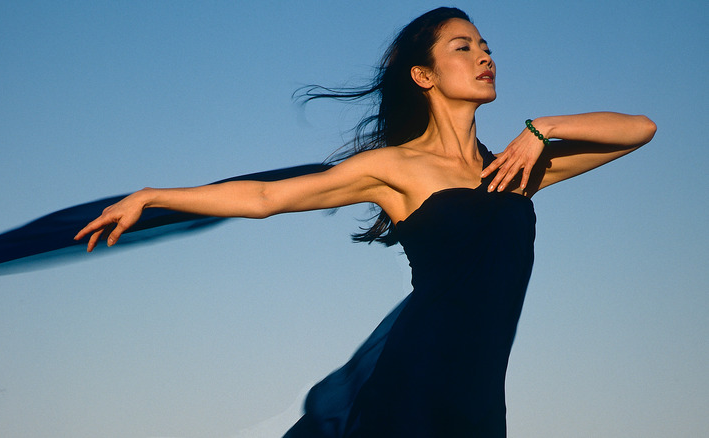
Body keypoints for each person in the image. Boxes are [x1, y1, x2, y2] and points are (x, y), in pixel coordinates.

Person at [75, 7, 655, 438]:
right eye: (462, 47)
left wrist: (542, 128)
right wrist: (153, 196)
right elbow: (265, 198)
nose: (484, 56)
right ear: (424, 76)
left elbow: (641, 129)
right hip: (416, 381)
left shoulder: (511, 170)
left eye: (485, 45)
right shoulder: (394, 168)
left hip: (481, 394)